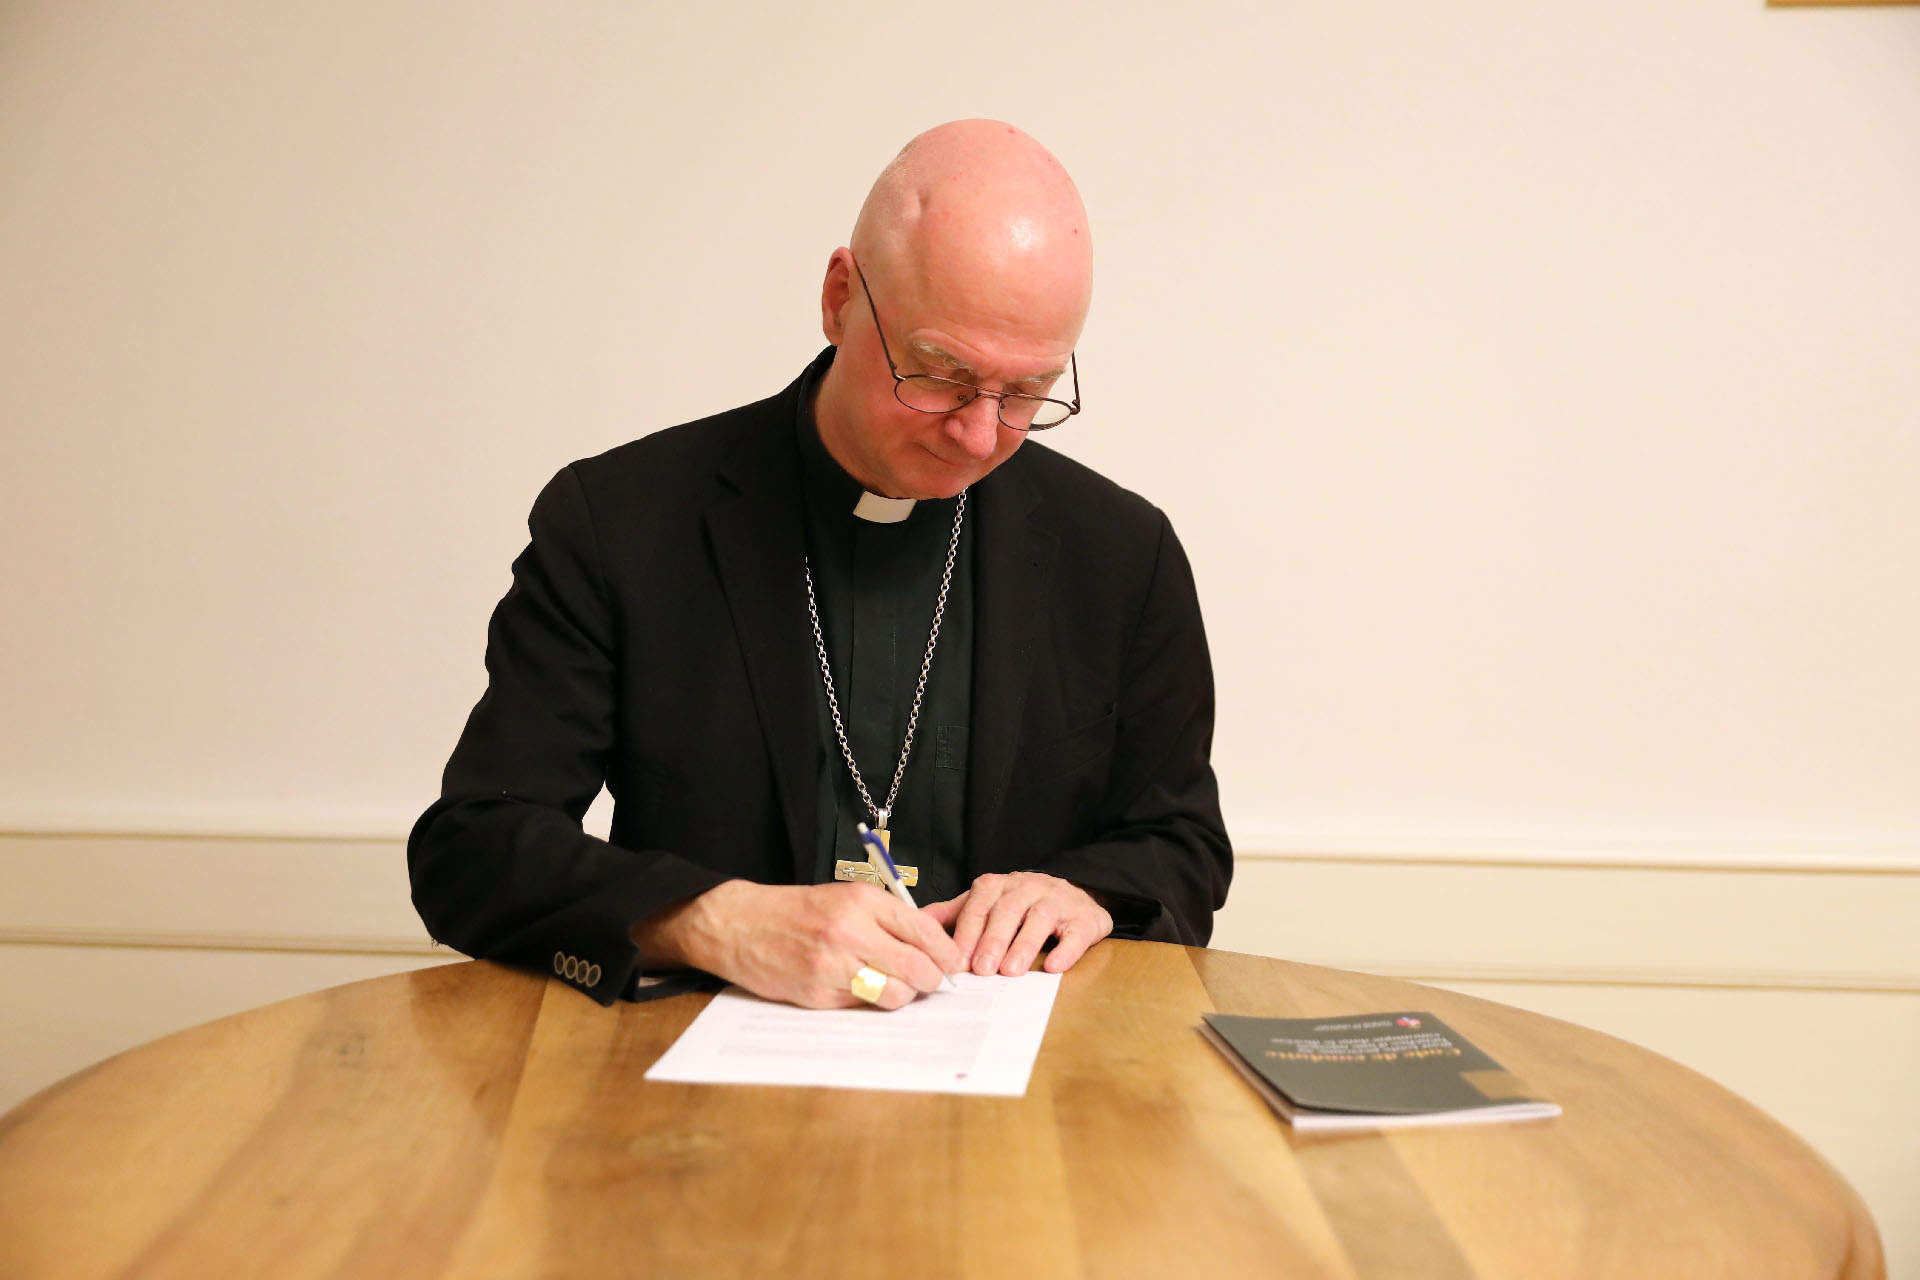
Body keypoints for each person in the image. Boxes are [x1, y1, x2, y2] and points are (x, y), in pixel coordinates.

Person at [408, 120, 1230, 1012]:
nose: (979, 433)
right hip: (689, 1094)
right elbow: (472, 851)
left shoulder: (1121, 552)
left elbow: (1181, 843)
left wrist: (1088, 894)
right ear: (841, 297)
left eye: (1028, 391)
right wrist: (707, 919)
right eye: (940, 373)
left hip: (1017, 1105)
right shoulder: (622, 521)